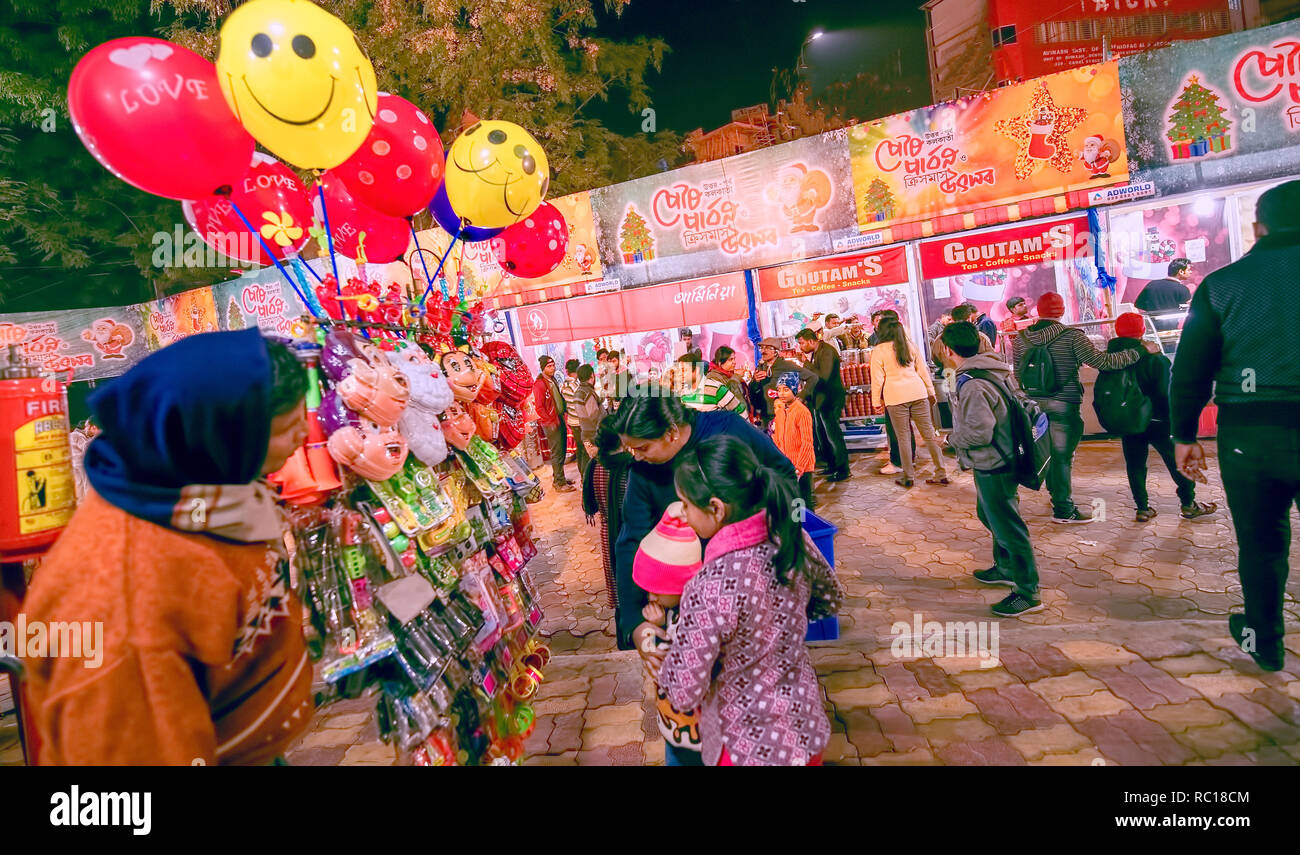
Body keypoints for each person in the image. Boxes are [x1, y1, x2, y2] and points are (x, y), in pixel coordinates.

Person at [21, 329, 314, 764]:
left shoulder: (194, 498)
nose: (305, 435)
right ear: (218, 437)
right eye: (286, 428)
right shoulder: (126, 600)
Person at [1171, 181, 1300, 672]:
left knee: (1261, 542)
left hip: (1250, 437)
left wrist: (1184, 436)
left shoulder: (1223, 284)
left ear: (1257, 227)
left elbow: (1190, 370)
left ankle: (1264, 640)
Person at [657, 435, 843, 766]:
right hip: (804, 729)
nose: (682, 514)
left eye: (685, 504)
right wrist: (785, 617)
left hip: (747, 746)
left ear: (715, 508)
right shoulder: (789, 537)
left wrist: (669, 651)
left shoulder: (709, 584)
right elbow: (829, 600)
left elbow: (684, 691)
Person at [609, 391, 796, 657]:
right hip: (687, 595)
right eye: (630, 449)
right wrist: (634, 622)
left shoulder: (728, 430)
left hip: (749, 584)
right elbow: (630, 540)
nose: (636, 457)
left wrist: (786, 537)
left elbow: (784, 475)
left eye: (642, 448)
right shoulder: (642, 470)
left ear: (671, 432)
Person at [938, 322, 1042, 618]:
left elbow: (979, 433)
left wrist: (947, 439)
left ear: (948, 350)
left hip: (995, 460)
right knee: (990, 514)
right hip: (1005, 454)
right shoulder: (993, 367)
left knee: (1008, 526)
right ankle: (1006, 566)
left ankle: (1028, 591)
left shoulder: (972, 383)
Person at [1011, 292, 1139, 523]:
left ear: (1038, 311)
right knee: (1061, 458)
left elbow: (1018, 374)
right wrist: (1137, 352)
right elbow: (1103, 362)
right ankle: (1064, 509)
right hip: (1063, 404)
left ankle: (1056, 496)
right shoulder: (1072, 336)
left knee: (1046, 454)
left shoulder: (1020, 338)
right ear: (1060, 311)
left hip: (1032, 407)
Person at [1105, 312, 1216, 523]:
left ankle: (1142, 508)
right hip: (1159, 421)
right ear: (1142, 331)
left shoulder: (1111, 359)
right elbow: (1166, 392)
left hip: (1129, 420)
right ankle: (1188, 504)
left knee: (1135, 464)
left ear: (1117, 331)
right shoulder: (1155, 358)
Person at [632, 503, 705, 766]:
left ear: (680, 585)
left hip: (694, 730)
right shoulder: (672, 609)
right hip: (673, 723)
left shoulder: (693, 618)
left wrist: (656, 633)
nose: (650, 597)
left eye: (656, 590)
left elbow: (666, 655)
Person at [870, 318, 948, 488]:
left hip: (895, 397)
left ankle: (908, 476)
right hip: (918, 392)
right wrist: (931, 392)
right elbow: (923, 371)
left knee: (903, 437)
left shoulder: (879, 350)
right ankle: (941, 471)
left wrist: (876, 401)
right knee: (929, 434)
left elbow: (877, 379)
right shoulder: (909, 345)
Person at [582, 421, 633, 612]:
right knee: (634, 586)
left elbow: (592, 504)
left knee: (617, 584)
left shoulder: (594, 466)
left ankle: (622, 632)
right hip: (629, 533)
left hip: (607, 533)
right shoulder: (629, 467)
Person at [797, 327, 851, 482]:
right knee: (823, 435)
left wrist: (806, 363)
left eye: (802, 343)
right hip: (820, 400)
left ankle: (842, 470)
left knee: (833, 435)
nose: (801, 347)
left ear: (811, 341)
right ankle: (832, 465)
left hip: (830, 399)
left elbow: (823, 376)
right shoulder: (816, 352)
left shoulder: (827, 351)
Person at [748, 337, 818, 430]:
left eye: (768, 348)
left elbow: (813, 378)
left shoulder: (786, 365)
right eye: (762, 348)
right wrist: (755, 381)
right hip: (765, 418)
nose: (763, 351)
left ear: (776, 351)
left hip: (784, 416)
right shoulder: (761, 367)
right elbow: (752, 391)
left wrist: (802, 396)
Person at [772, 372, 816, 509]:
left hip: (802, 467)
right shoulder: (779, 413)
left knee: (804, 502)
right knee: (793, 502)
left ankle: (809, 528)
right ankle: (798, 528)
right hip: (787, 466)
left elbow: (807, 442)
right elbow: (777, 439)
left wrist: (800, 467)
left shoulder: (802, 412)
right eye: (779, 390)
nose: (782, 394)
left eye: (786, 389)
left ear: (795, 390)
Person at [533, 355, 575, 492]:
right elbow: (539, 407)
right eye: (549, 366)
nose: (552, 368)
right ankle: (559, 483)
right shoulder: (539, 384)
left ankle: (560, 478)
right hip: (551, 423)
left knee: (561, 450)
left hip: (559, 419)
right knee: (557, 453)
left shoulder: (552, 380)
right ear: (543, 368)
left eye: (553, 365)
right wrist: (549, 421)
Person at [683, 346, 747, 414]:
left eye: (734, 359)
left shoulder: (729, 374)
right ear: (720, 363)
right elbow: (728, 398)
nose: (734, 362)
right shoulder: (713, 377)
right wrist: (736, 377)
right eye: (730, 359)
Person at [1135, 258, 1193, 332]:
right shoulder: (1183, 289)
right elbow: (1187, 310)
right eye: (1188, 270)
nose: (1191, 272)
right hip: (1171, 330)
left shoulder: (1152, 285)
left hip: (1151, 329)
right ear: (1181, 271)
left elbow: (1138, 304)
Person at [570, 363, 603, 479]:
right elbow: (594, 415)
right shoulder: (588, 393)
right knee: (598, 466)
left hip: (585, 433)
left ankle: (586, 486)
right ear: (592, 376)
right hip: (594, 434)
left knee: (589, 464)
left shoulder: (578, 392)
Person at [561, 358, 581, 462]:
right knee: (583, 452)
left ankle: (583, 475)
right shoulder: (574, 385)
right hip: (578, 420)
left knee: (580, 451)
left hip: (572, 420)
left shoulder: (564, 384)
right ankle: (584, 475)